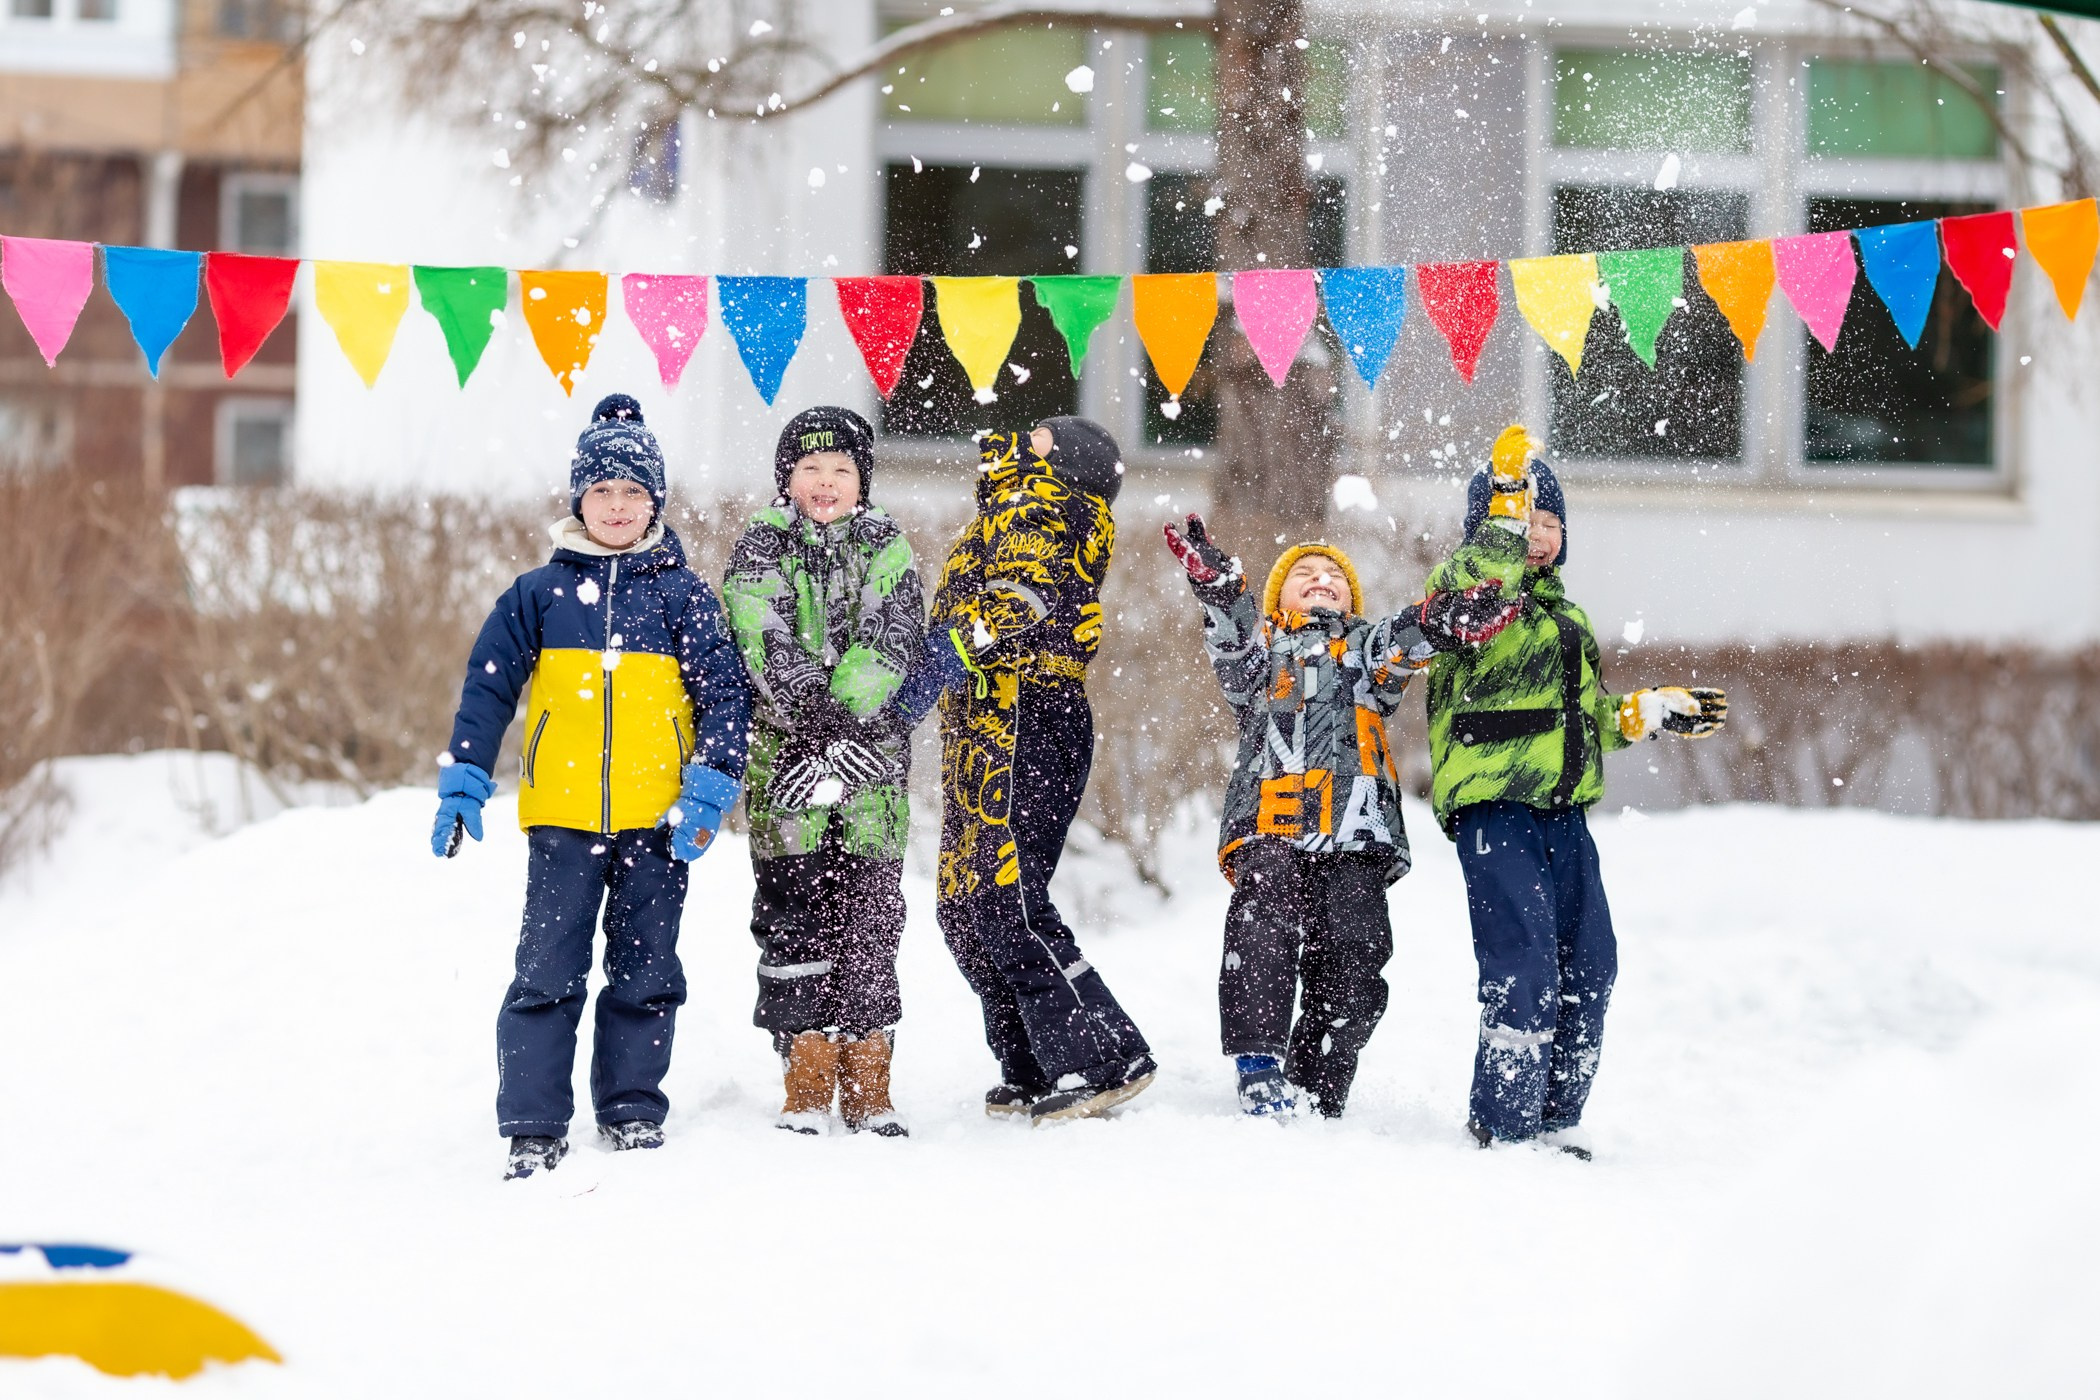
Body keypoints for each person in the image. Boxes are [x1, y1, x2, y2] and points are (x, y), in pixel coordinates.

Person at [433, 393, 751, 1181]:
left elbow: (726, 698)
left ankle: (632, 1108)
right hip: (563, 822)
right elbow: (488, 687)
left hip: (658, 821)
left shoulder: (682, 596)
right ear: (579, 500)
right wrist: (466, 778)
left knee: (647, 973)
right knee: (546, 972)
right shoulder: (538, 595)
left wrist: (708, 790)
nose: (616, 507)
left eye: (633, 493)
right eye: (602, 492)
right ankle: (535, 1123)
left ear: (656, 503)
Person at [1421, 425, 1726, 1157]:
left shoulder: (1569, 620)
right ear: (1488, 528)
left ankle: (1556, 1116)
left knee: (1591, 962)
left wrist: (1645, 712)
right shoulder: (1469, 602)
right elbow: (1466, 589)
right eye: (1521, 522)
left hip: (1563, 817)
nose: (1536, 535)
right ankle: (1503, 1119)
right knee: (1522, 961)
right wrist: (1501, 517)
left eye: (1549, 523)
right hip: (1494, 811)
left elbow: (1583, 720)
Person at [1162, 517, 1520, 1117]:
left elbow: (1407, 638)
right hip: (1270, 822)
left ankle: (1319, 1076)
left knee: (1358, 951)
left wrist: (1444, 618)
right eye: (1304, 574)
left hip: (1356, 830)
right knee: (1262, 922)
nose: (1321, 578)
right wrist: (1223, 590)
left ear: (1353, 599)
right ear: (1278, 597)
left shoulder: (1365, 652)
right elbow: (1233, 638)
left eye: (1334, 576)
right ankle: (1257, 1061)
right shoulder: (1261, 657)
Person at [905, 419, 1155, 1125]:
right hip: (983, 728)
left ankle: (1106, 1055)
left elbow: (1021, 600)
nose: (1021, 440)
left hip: (1030, 714)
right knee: (965, 905)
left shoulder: (1044, 504)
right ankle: (1034, 1060)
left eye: (1040, 438)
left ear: (1065, 462)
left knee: (1005, 896)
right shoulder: (1006, 507)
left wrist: (934, 667)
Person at [720, 406, 923, 1137]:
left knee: (871, 917)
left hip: (869, 763)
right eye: (810, 469)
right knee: (794, 910)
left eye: (841, 469)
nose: (826, 481)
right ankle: (805, 1072)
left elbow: (893, 633)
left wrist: (846, 717)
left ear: (862, 480)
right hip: (788, 761)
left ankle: (870, 1080)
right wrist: (810, 714)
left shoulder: (886, 543)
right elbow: (757, 624)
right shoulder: (761, 542)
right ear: (787, 480)